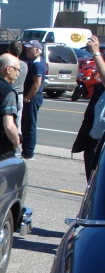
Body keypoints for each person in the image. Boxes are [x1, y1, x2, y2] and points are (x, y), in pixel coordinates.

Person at [72, 35, 105, 179]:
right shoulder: (99, 88)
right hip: (94, 144)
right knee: (92, 185)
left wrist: (96, 53)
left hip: (102, 146)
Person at [21, 40, 47, 160]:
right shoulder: (33, 62)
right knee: (25, 124)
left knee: (29, 125)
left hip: (33, 98)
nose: (27, 51)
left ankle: (28, 152)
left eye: (29, 49)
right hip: (31, 97)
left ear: (37, 50)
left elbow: (37, 84)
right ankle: (25, 149)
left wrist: (27, 98)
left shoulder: (37, 64)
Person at [7, 40, 28, 134]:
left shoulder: (8, 66)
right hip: (19, 95)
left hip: (9, 95)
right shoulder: (24, 65)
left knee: (7, 122)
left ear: (9, 50)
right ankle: (17, 145)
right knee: (17, 124)